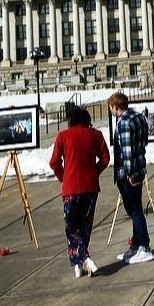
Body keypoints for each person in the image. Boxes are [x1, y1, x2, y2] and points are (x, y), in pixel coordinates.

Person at [48, 107, 110, 278]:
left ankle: (82, 260)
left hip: (71, 188)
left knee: (71, 227)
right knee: (85, 225)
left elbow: (54, 162)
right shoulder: (95, 135)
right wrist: (94, 171)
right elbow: (105, 158)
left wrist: (63, 176)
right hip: (90, 188)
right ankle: (81, 261)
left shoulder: (63, 136)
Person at [108, 91, 154, 265]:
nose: (111, 110)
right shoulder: (139, 117)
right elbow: (144, 142)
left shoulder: (124, 122)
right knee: (136, 206)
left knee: (134, 209)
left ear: (115, 106)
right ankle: (136, 244)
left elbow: (126, 151)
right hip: (140, 166)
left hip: (128, 172)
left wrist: (130, 173)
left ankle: (144, 245)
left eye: (111, 107)